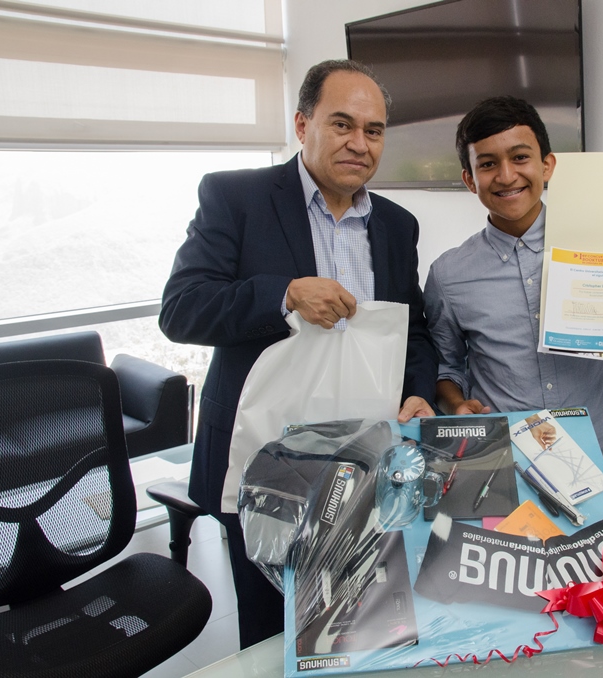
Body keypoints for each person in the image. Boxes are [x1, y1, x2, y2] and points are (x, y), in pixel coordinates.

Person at [159, 59, 437, 648]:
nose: (359, 143)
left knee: (358, 622)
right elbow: (181, 309)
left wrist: (418, 391)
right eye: (342, 124)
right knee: (270, 631)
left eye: (374, 130)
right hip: (267, 463)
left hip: (365, 465)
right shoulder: (236, 197)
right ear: (302, 124)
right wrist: (282, 295)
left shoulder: (397, 226)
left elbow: (412, 332)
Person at [424, 96, 603, 478]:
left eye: (520, 157)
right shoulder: (448, 275)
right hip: (501, 460)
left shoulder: (602, 251)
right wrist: (455, 405)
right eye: (488, 163)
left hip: (594, 454)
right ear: (469, 179)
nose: (507, 175)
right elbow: (447, 366)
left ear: (547, 165)